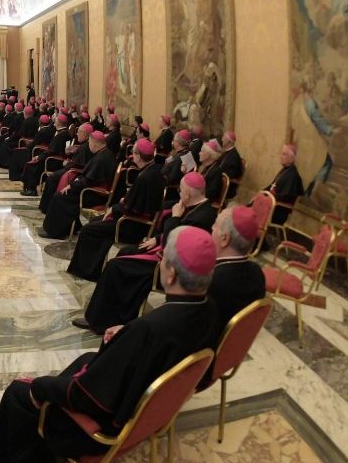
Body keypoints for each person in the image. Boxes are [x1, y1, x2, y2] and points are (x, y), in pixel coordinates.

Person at [0, 227, 219, 463]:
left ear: (170, 274)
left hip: (104, 430)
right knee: (87, 359)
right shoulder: (211, 308)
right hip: (148, 409)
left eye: (163, 262)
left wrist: (40, 387)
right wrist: (124, 336)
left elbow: (86, 397)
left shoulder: (146, 330)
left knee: (19, 393)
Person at [72, 172, 217, 332]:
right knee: (126, 252)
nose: (179, 194)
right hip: (164, 250)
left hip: (171, 266)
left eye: (181, 191)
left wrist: (175, 218)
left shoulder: (202, 216)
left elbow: (175, 241)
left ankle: (99, 321)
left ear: (188, 194)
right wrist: (157, 238)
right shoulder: (199, 207)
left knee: (115, 266)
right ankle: (118, 314)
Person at [66, 138, 164, 281]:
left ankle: (87, 272)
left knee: (89, 230)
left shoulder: (145, 177)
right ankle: (93, 267)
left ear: (138, 155)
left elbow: (132, 207)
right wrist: (124, 201)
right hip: (135, 220)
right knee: (95, 222)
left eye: (133, 152)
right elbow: (136, 200)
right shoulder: (154, 170)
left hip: (131, 224)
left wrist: (115, 208)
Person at [40, 130, 116, 239]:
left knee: (60, 197)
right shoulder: (106, 153)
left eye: (89, 143)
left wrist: (72, 185)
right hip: (93, 190)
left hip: (95, 194)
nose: (89, 146)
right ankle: (74, 227)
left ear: (94, 144)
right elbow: (90, 177)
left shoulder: (100, 158)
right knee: (64, 195)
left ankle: (55, 232)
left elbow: (89, 180)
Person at [208, 206, 266, 343]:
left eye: (215, 225)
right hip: (230, 350)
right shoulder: (257, 272)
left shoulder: (210, 281)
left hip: (203, 354)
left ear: (224, 239)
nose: (211, 227)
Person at [20, 113, 70, 196]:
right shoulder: (65, 133)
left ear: (59, 122)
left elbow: (52, 151)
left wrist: (39, 157)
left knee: (33, 166)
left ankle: (32, 189)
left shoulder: (61, 135)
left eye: (56, 120)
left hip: (53, 161)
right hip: (54, 158)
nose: (54, 121)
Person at [265, 144, 305, 225]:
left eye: (284, 154)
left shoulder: (293, 176)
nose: (280, 156)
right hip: (272, 204)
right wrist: (262, 193)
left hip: (278, 210)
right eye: (281, 153)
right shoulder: (284, 170)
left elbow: (284, 197)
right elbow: (271, 186)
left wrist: (268, 197)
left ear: (292, 158)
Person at [217, 131, 244, 200]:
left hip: (227, 187)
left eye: (223, 138)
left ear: (228, 141)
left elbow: (230, 175)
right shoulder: (226, 152)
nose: (222, 139)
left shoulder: (234, 156)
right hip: (219, 181)